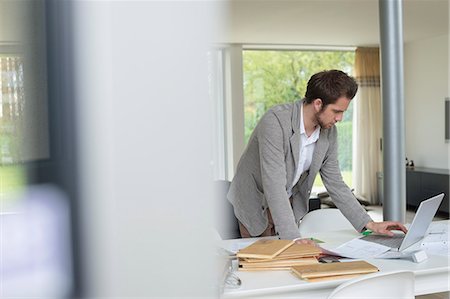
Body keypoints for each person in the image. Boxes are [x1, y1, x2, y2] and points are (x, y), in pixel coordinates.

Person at [227, 69, 407, 241]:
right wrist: (294, 239)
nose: (340, 119)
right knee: (267, 261)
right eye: (336, 111)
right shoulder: (275, 122)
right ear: (318, 104)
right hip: (254, 198)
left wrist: (369, 224)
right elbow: (273, 184)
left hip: (285, 200)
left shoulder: (328, 132)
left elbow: (335, 183)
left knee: (291, 257)